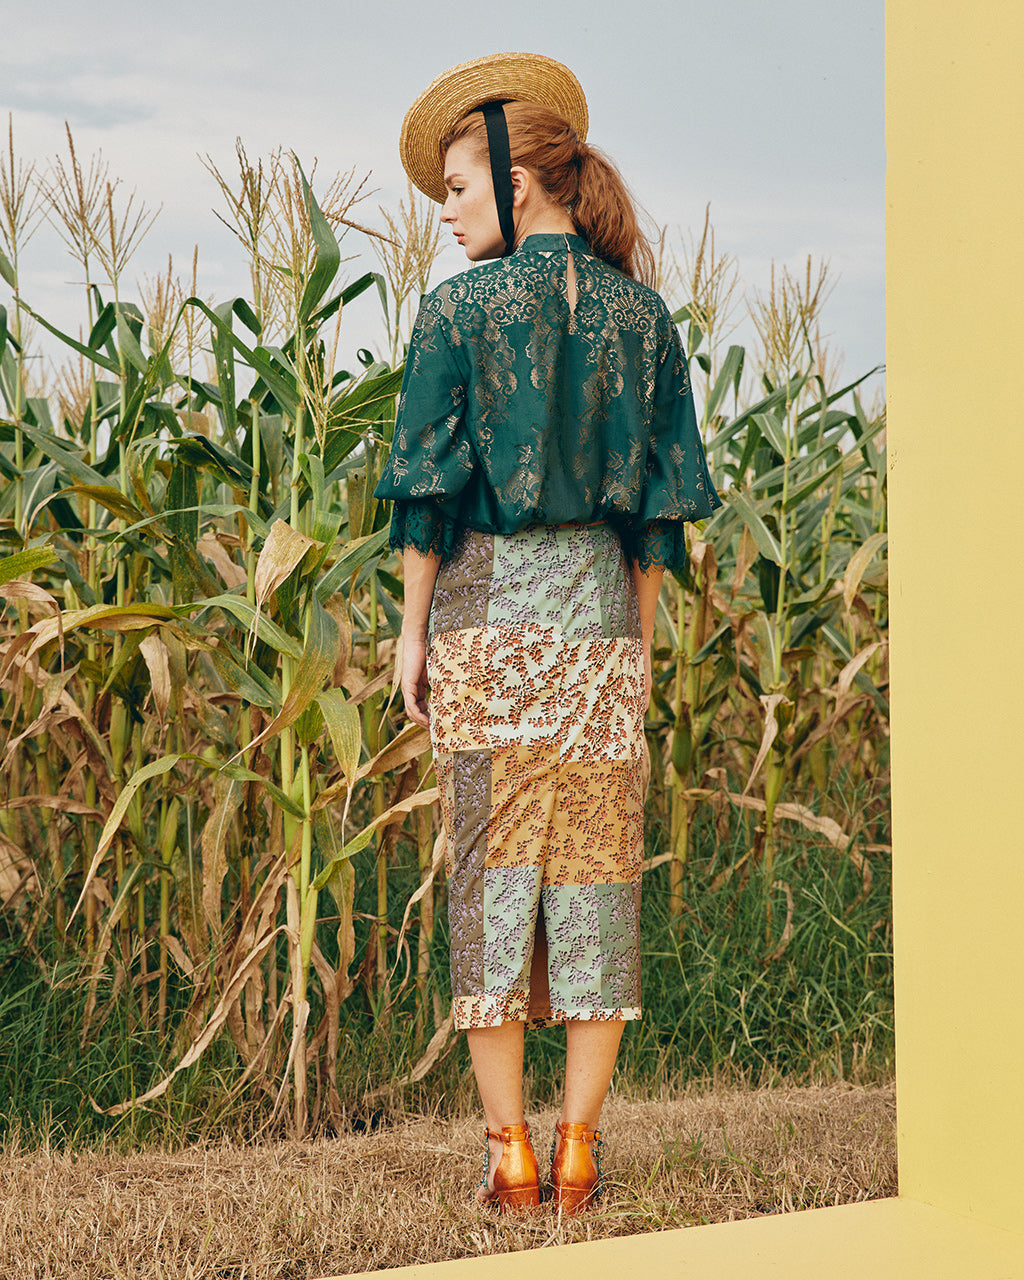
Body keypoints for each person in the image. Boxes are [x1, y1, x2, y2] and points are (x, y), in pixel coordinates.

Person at [374, 52, 721, 1213]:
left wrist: (411, 636)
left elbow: (425, 492)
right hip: (602, 635)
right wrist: (636, 649)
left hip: (488, 628)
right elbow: (659, 519)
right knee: (595, 880)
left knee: (491, 881)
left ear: (517, 179)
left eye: (457, 186)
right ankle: (577, 1152)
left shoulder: (456, 310)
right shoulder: (646, 318)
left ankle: (509, 1156)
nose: (445, 211)